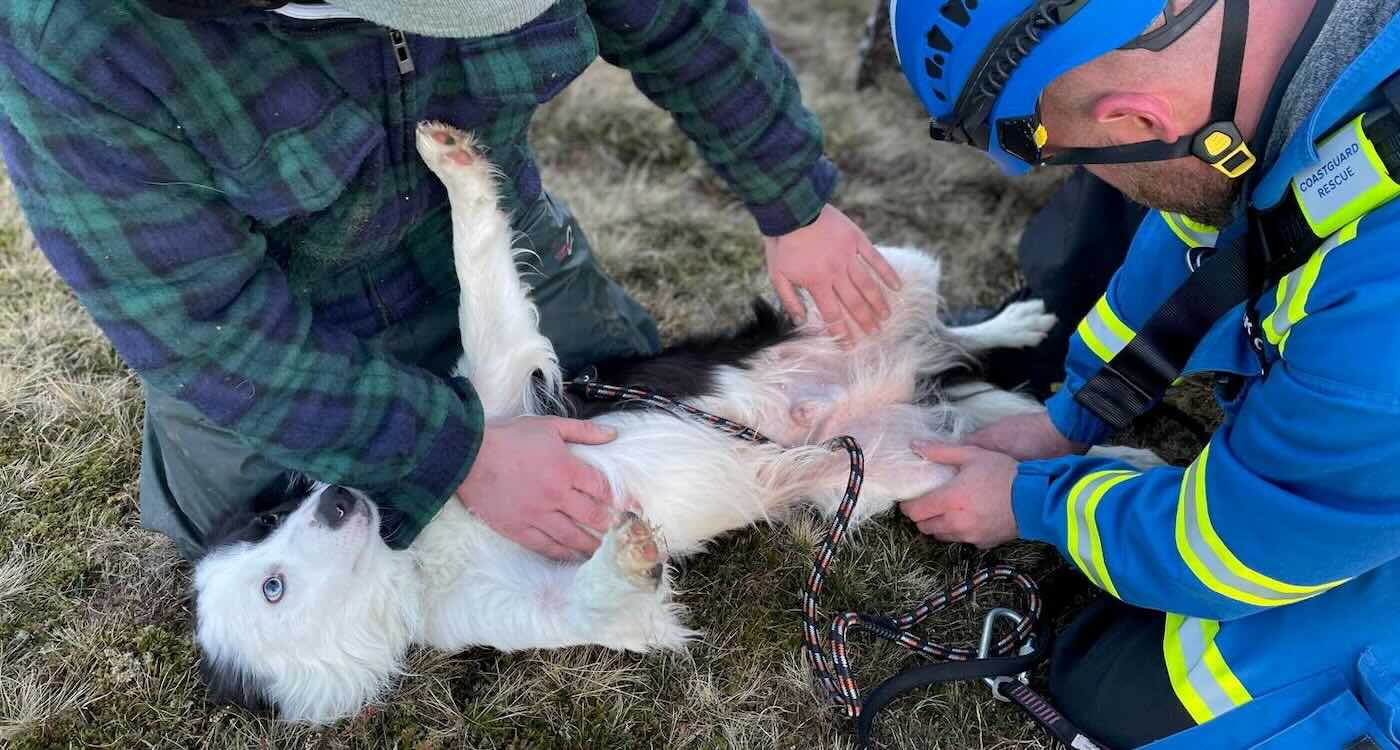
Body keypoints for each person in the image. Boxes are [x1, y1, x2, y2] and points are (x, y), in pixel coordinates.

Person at [0, 0, 901, 561]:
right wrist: (449, 455)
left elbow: (681, 20)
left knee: (635, 433)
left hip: (497, 244)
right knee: (302, 555)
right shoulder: (79, 42)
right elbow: (205, 331)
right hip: (287, 334)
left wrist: (795, 204)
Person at [891, 1, 1400, 748]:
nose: (1107, 185)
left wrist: (1032, 503)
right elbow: (1196, 247)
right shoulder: (1287, 89)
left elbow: (1231, 549)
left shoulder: (1379, 310)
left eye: (1079, 160)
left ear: (1136, 117)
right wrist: (1071, 418)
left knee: (1124, 693)